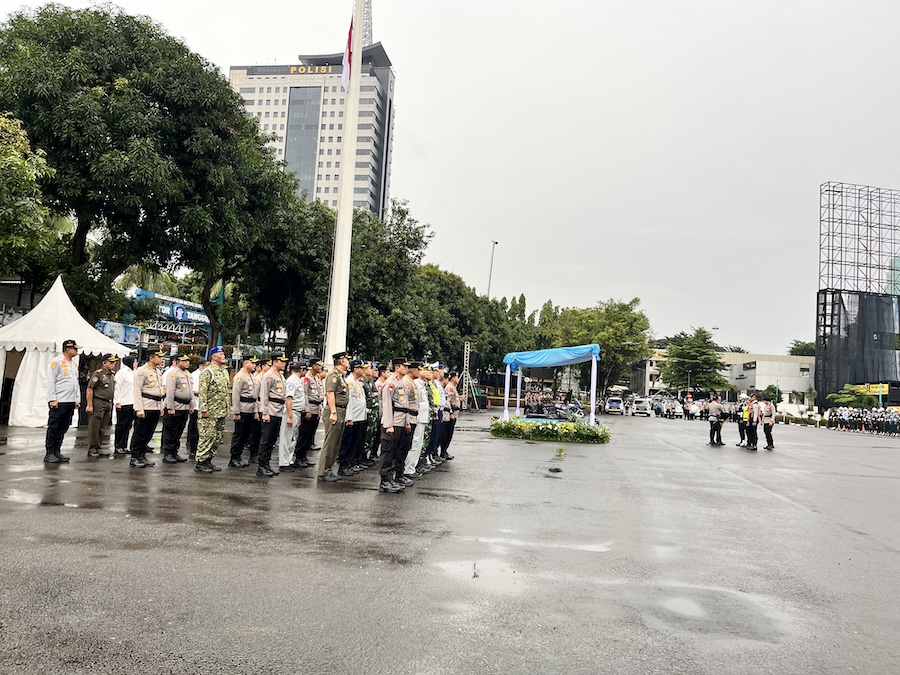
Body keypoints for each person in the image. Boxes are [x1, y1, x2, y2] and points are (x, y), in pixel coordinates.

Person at [44, 339, 82, 463]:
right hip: (59, 400)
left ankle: (57, 450)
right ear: (68, 349)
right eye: (75, 349)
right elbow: (51, 381)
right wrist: (52, 399)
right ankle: (49, 452)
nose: (77, 351)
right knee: (54, 426)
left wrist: (77, 399)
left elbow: (75, 383)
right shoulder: (57, 362)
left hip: (70, 401)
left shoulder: (73, 363)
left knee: (63, 427)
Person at [195, 346, 230, 473]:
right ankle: (201, 462)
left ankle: (208, 460)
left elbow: (225, 392)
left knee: (217, 437)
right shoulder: (208, 372)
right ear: (214, 357)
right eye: (221, 354)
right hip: (210, 412)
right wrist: (203, 410)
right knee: (207, 436)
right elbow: (203, 392)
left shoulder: (224, 372)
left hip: (220, 411)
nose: (223, 356)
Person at [317, 351, 350, 482]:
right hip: (334, 410)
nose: (348, 361)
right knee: (330, 442)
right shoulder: (334, 375)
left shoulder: (340, 375)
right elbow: (330, 394)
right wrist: (334, 412)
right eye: (346, 359)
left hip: (340, 410)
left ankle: (328, 469)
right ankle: (323, 471)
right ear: (341, 361)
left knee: (335, 443)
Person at [130, 350, 167, 468]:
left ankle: (142, 455)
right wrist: (139, 408)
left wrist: (161, 407)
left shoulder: (157, 371)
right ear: (151, 358)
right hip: (146, 405)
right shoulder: (142, 371)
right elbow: (137, 390)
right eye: (158, 357)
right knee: (140, 432)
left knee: (149, 433)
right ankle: (135, 457)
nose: (161, 359)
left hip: (155, 406)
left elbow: (160, 390)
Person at [377, 357, 408, 493]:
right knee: (387, 452)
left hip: (400, 422)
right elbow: (387, 405)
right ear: (397, 368)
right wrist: (388, 424)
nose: (406, 369)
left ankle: (390, 479)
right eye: (404, 366)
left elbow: (405, 404)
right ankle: (384, 481)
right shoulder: (390, 383)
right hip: (393, 422)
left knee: (395, 452)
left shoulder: (400, 382)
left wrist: (406, 422)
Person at [256, 353, 288, 477]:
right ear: (275, 362)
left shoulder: (280, 375)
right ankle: (261, 466)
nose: (284, 363)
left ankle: (267, 464)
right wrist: (265, 412)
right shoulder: (269, 376)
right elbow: (264, 395)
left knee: (272, 440)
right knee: (266, 440)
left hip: (279, 411)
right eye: (282, 361)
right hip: (271, 411)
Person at [337, 359, 367, 476]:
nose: (363, 370)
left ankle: (350, 463)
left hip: (359, 417)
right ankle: (343, 465)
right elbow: (348, 401)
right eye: (361, 368)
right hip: (353, 417)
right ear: (355, 369)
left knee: (355, 442)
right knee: (347, 442)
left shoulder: (357, 381)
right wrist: (349, 417)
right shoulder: (349, 381)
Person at [161, 354, 192, 463]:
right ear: (177, 362)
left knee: (179, 430)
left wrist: (191, 405)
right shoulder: (173, 374)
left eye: (188, 360)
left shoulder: (187, 374)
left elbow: (190, 391)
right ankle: (168, 453)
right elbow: (170, 391)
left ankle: (174, 451)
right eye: (184, 361)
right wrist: (170, 407)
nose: (187, 362)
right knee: (171, 431)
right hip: (175, 405)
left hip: (184, 406)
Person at [86, 353, 118, 458]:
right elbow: (90, 389)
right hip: (98, 401)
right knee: (95, 426)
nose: (113, 364)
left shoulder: (112, 374)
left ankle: (98, 447)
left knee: (102, 427)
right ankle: (92, 448)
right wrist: (89, 405)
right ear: (104, 363)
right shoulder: (98, 374)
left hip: (108, 402)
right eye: (111, 362)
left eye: (114, 362)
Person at [228, 356, 258, 468]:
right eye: (252, 363)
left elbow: (254, 396)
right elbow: (235, 396)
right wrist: (236, 412)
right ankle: (234, 458)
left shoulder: (251, 376)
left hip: (250, 409)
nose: (254, 365)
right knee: (239, 435)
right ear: (246, 363)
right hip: (242, 409)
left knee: (245, 435)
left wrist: (255, 411)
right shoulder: (239, 377)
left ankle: (239, 457)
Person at [296, 360, 323, 464]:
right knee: (304, 433)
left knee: (310, 434)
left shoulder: (316, 378)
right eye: (319, 365)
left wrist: (319, 409)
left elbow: (319, 395)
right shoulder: (307, 378)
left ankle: (304, 457)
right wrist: (307, 410)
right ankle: (299, 456)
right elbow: (305, 394)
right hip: (309, 408)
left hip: (316, 408)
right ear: (314, 366)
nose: (320, 367)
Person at [113, 355, 136, 455]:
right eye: (134, 361)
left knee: (128, 426)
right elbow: (117, 388)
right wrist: (117, 402)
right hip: (123, 402)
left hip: (132, 403)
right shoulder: (122, 373)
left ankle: (124, 445)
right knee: (121, 426)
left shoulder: (134, 373)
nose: (136, 363)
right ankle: (118, 446)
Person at [187, 359, 206, 460]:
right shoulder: (196, 375)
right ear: (201, 366)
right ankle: (192, 450)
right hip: (196, 404)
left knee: (199, 429)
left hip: (202, 405)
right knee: (194, 429)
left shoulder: (203, 375)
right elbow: (193, 390)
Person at [440, 371, 461, 460]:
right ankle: (443, 452)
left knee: (449, 434)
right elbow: (447, 401)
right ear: (452, 378)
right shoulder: (450, 388)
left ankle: (444, 451)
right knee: (446, 434)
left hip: (453, 413)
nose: (458, 378)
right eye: (456, 377)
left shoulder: (453, 388)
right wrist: (451, 413)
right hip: (449, 414)